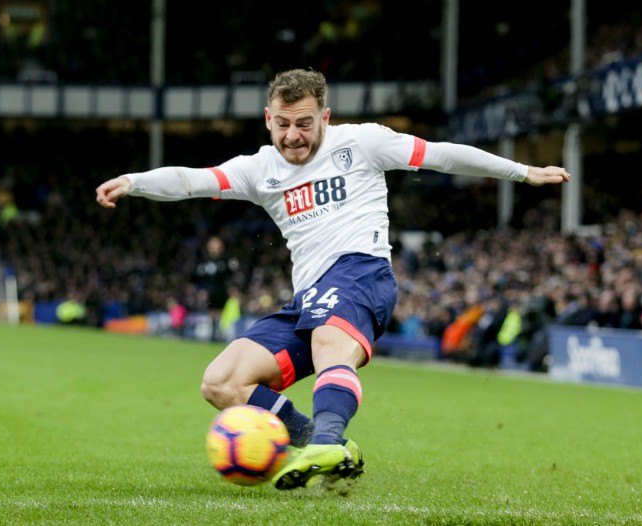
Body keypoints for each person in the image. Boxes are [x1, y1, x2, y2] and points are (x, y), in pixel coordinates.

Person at [95, 68, 571, 490]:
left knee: (327, 340)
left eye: (305, 124)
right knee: (222, 382)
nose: (293, 136)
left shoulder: (362, 142)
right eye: (283, 125)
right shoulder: (260, 169)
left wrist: (524, 172)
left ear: (325, 117)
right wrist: (134, 182)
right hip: (309, 297)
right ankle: (319, 441)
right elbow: (190, 181)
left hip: (363, 273)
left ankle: (325, 440)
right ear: (268, 119)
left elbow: (441, 155)